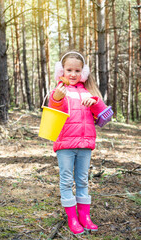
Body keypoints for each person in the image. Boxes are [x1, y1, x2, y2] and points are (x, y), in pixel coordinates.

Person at [48, 50, 107, 235]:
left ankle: (84, 217)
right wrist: (57, 97)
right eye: (69, 70)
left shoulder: (88, 92)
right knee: (66, 181)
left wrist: (94, 102)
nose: (73, 74)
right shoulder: (59, 91)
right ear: (61, 71)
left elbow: (103, 116)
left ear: (84, 72)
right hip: (65, 144)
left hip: (85, 144)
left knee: (82, 180)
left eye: (77, 70)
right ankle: (72, 218)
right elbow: (53, 109)